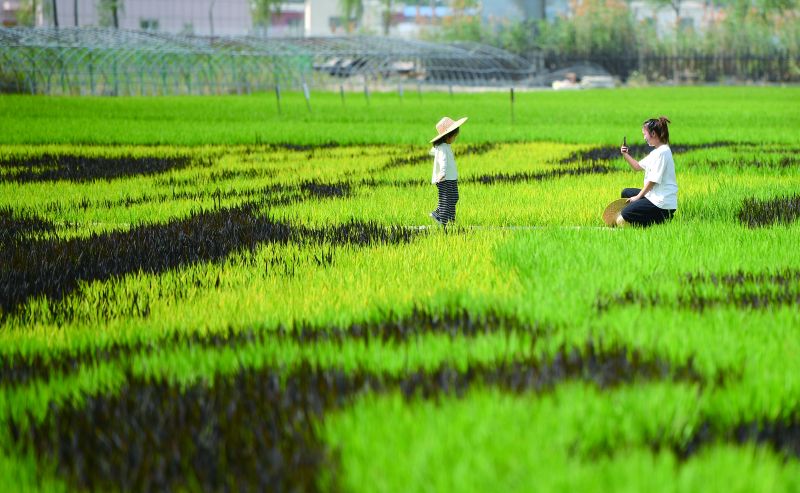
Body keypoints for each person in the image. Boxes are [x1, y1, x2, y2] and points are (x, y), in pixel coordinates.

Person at [618, 117, 678, 227]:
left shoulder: (663, 152)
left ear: (653, 133)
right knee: (626, 193)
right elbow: (637, 166)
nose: (644, 138)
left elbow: (652, 181)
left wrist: (637, 197)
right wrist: (625, 154)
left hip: (662, 203)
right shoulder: (656, 152)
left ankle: (661, 219)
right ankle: (653, 218)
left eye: (645, 134)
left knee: (626, 213)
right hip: (654, 196)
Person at [429, 116, 467, 226]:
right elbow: (443, 161)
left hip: (451, 177)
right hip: (444, 178)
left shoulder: (446, 146)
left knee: (454, 197)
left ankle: (449, 219)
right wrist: (443, 173)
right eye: (454, 136)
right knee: (446, 200)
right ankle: (443, 222)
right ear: (446, 136)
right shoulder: (442, 148)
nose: (455, 138)